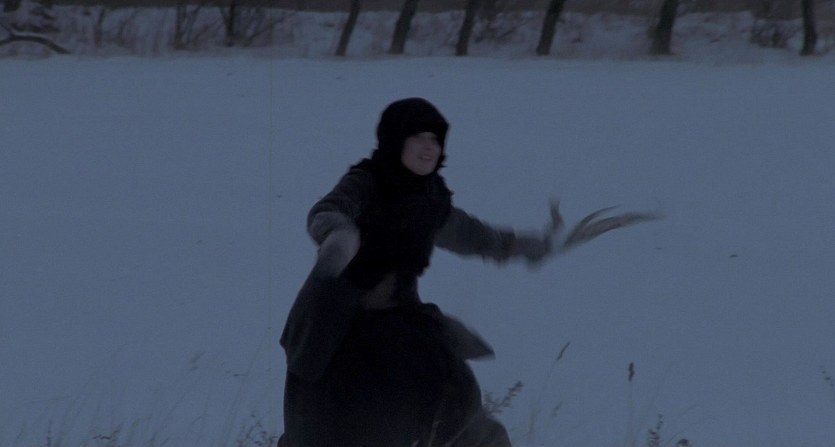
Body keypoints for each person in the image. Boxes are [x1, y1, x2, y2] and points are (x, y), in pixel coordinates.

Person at [278, 97, 557, 447]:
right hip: (338, 330)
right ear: (395, 140)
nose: (429, 147)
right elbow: (329, 210)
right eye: (418, 137)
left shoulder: (429, 198)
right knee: (332, 422)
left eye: (435, 139)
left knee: (454, 396)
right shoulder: (367, 183)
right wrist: (339, 235)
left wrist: (517, 245)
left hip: (401, 323)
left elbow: (466, 232)